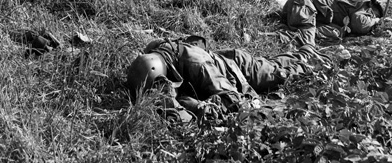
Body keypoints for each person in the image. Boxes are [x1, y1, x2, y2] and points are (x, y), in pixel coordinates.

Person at [126, 36, 329, 123]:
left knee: (279, 75)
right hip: (224, 61)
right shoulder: (158, 54)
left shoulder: (199, 66)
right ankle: (303, 52)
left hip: (239, 69)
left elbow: (233, 100)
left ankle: (315, 59)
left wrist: (198, 107)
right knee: (273, 65)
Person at [278, 0, 385, 45]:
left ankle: (278, 36)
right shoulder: (364, 4)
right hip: (303, 2)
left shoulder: (347, 16)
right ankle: (274, 37)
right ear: (371, 5)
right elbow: (360, 24)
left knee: (334, 33)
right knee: (307, 44)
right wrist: (376, 20)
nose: (372, 16)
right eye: (375, 13)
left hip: (299, 8)